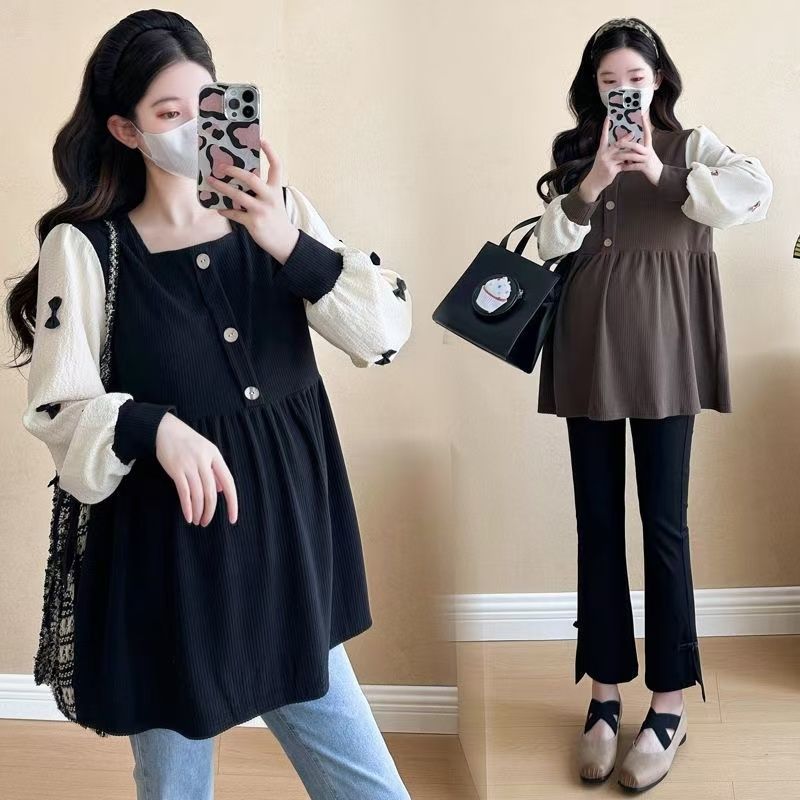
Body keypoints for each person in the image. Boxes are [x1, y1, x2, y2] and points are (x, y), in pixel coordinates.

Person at [6, 9, 412, 799]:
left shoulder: (280, 211)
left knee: (368, 787)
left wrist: (282, 238)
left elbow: (383, 333)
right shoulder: (87, 250)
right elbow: (57, 407)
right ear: (125, 130)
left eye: (207, 104)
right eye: (169, 113)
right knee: (174, 790)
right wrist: (155, 427)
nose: (194, 127)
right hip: (169, 564)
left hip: (287, 544)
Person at [532, 16, 772, 793]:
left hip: (667, 351)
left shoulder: (695, 149)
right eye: (609, 83)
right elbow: (549, 246)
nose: (624, 94)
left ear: (658, 79)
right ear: (593, 90)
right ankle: (604, 698)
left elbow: (753, 196)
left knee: (664, 525)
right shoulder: (576, 155)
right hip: (587, 352)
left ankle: (668, 707)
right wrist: (594, 179)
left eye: (634, 80)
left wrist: (661, 174)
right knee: (598, 525)